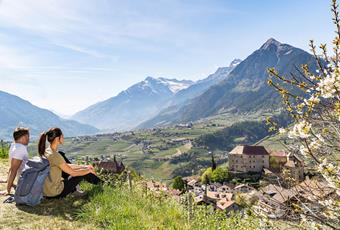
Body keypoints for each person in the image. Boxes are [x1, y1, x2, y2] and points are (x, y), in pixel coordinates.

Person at [38, 127, 101, 198]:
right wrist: (88, 170)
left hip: (46, 191)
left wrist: (84, 167)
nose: (63, 138)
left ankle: (101, 184)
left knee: (83, 170)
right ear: (57, 139)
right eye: (62, 136)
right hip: (55, 192)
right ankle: (102, 185)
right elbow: (73, 173)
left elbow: (65, 165)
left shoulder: (47, 151)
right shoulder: (55, 155)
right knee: (82, 173)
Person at [0, 127, 30, 196]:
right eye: (28, 136)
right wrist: (8, 190)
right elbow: (14, 170)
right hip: (25, 180)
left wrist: (7, 180)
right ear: (24, 137)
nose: (29, 139)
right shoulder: (20, 149)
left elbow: (12, 165)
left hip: (22, 177)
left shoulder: (14, 145)